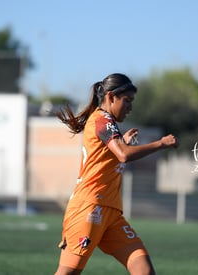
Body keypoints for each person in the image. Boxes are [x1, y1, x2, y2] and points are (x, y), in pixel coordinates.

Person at [53, 73, 178, 275]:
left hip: (111, 213)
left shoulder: (108, 123)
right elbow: (124, 156)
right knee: (69, 272)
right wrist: (161, 143)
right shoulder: (101, 119)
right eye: (127, 101)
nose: (130, 106)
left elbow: (115, 154)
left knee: (143, 268)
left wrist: (124, 143)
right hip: (89, 208)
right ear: (111, 97)